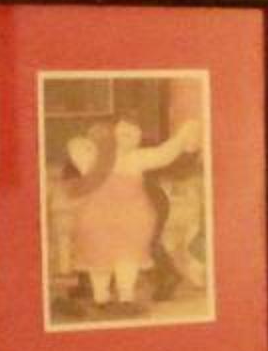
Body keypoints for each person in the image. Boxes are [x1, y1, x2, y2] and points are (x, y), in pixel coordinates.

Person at [53, 110, 203, 314]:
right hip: (98, 217)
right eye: (121, 133)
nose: (126, 138)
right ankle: (101, 298)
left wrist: (182, 136)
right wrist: (98, 143)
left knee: (128, 258)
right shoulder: (94, 158)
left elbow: (164, 154)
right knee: (99, 258)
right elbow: (75, 146)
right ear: (111, 135)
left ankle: (126, 297)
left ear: (138, 138)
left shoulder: (137, 158)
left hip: (132, 216)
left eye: (132, 134)